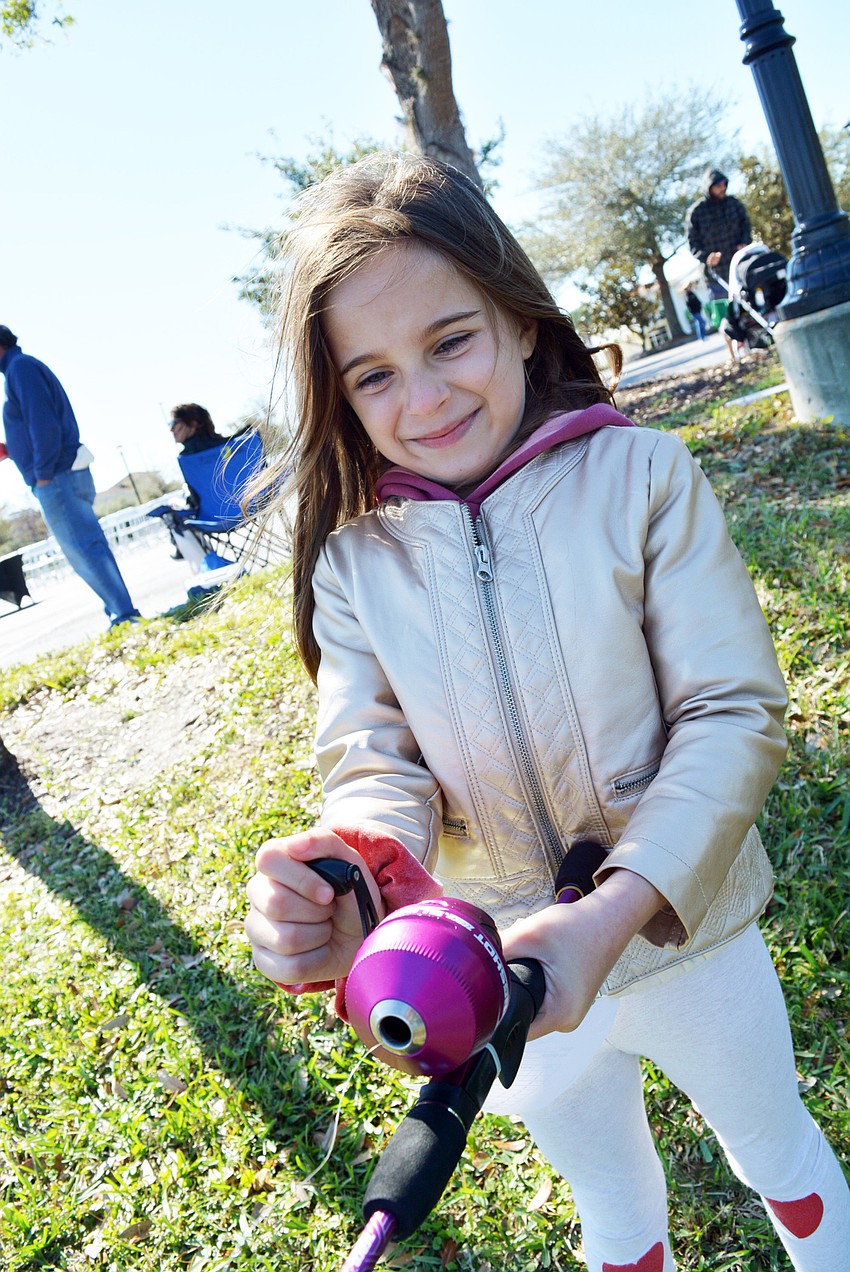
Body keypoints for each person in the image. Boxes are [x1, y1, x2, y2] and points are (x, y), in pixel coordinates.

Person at [243, 154, 850, 1271]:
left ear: (521, 321)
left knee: (781, 1158)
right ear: (338, 394)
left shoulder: (645, 476)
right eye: (371, 377)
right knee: (616, 1220)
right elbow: (374, 765)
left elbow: (733, 712)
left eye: (450, 342)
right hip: (492, 979)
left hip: (689, 940)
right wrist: (346, 869)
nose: (421, 401)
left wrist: (615, 911)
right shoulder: (351, 565)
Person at [0, 325, 141, 628]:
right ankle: (119, 611)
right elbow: (39, 423)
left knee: (83, 548)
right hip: (60, 472)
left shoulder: (20, 368)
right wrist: (13, 449)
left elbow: (44, 424)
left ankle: (125, 615)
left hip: (56, 477)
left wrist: (42, 474)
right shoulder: (21, 368)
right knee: (86, 546)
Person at [157, 402, 232, 571]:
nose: (171, 430)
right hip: (250, 506)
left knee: (173, 510)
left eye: (174, 424)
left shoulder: (188, 457)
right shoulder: (233, 445)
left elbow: (197, 497)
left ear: (193, 424)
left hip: (214, 517)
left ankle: (208, 571)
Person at [685, 168, 752, 300]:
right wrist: (707, 257)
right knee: (726, 314)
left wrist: (744, 242)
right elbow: (692, 243)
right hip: (716, 277)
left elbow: (746, 225)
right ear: (709, 188)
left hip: (740, 268)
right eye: (718, 186)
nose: (722, 188)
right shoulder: (696, 212)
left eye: (724, 185)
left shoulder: (734, 204)